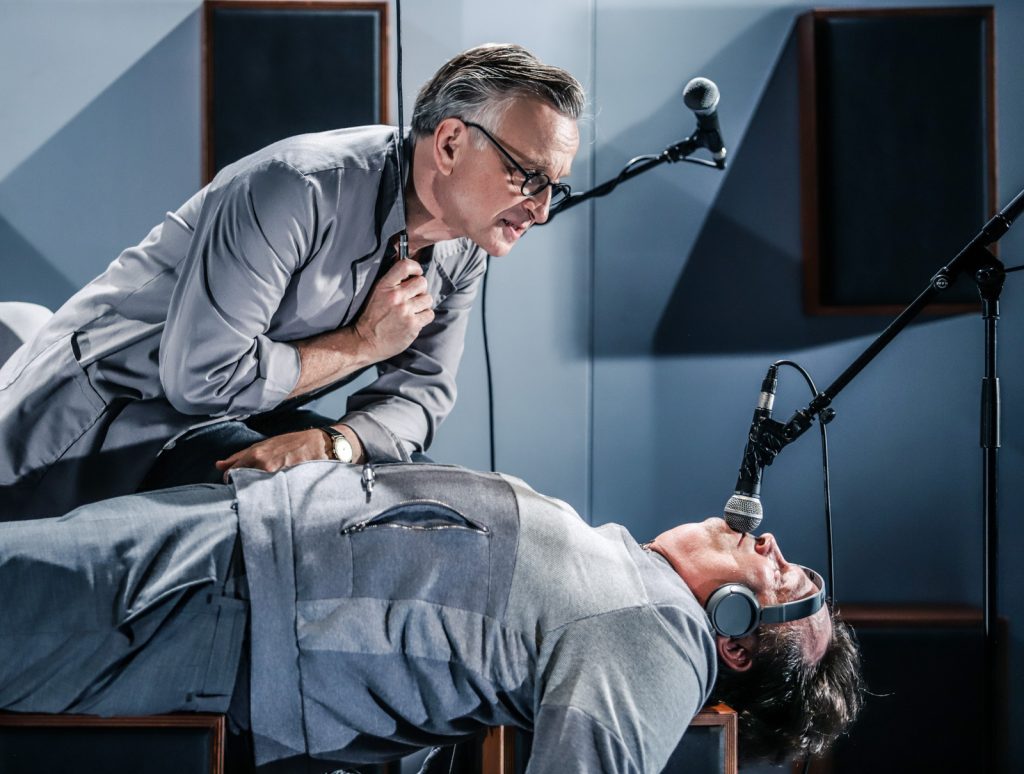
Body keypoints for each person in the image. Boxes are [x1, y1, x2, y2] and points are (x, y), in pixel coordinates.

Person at [0, 44, 584, 520]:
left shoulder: (465, 246)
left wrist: (336, 443)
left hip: (215, 427)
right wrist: (362, 344)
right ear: (451, 143)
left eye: (553, 187)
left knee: (410, 502)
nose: (540, 211)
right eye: (528, 176)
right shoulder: (296, 187)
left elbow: (420, 393)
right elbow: (201, 379)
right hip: (88, 424)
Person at [0, 461, 863, 772]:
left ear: (736, 641)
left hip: (226, 606)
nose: (769, 543)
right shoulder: (638, 587)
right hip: (245, 545)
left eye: (782, 577)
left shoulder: (664, 644)